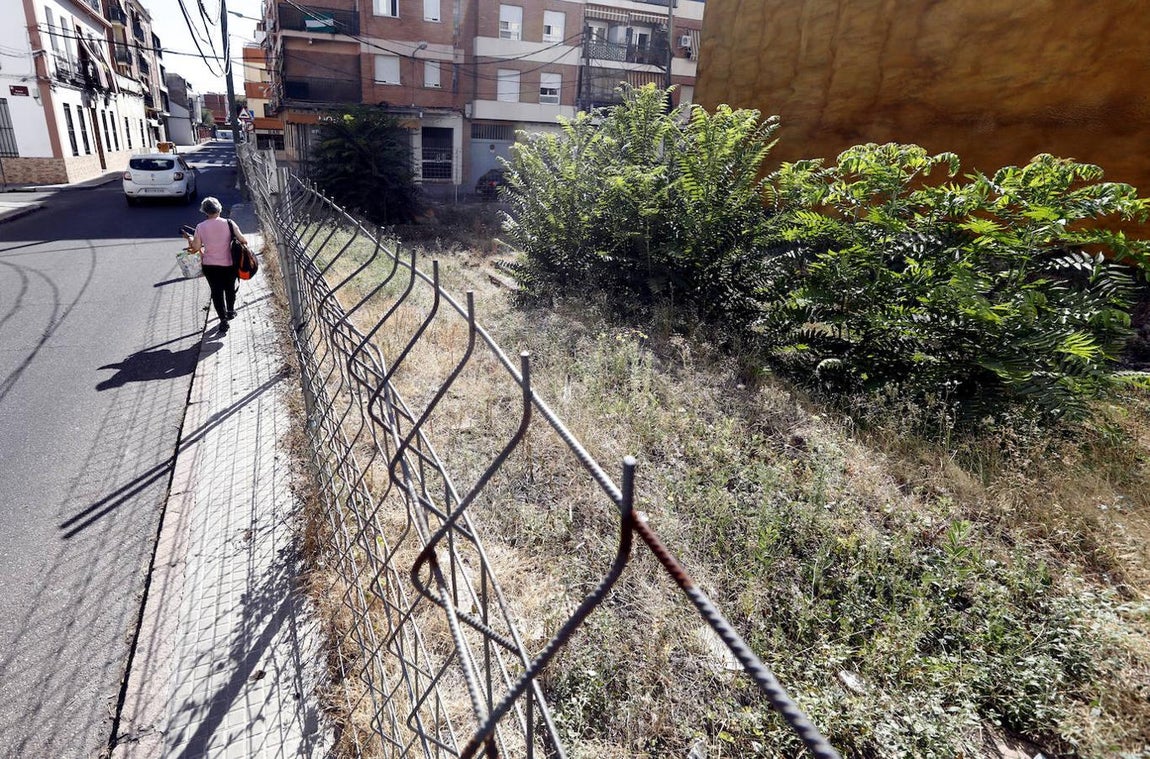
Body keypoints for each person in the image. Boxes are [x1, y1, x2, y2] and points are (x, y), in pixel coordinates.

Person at [183, 196, 246, 335]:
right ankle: (230, 311)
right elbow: (243, 239)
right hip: (229, 263)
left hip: (210, 265)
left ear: (204, 211)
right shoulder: (229, 223)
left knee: (216, 292)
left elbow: (195, 248)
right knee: (230, 287)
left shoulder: (200, 227)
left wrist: (189, 238)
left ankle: (223, 320)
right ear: (219, 208)